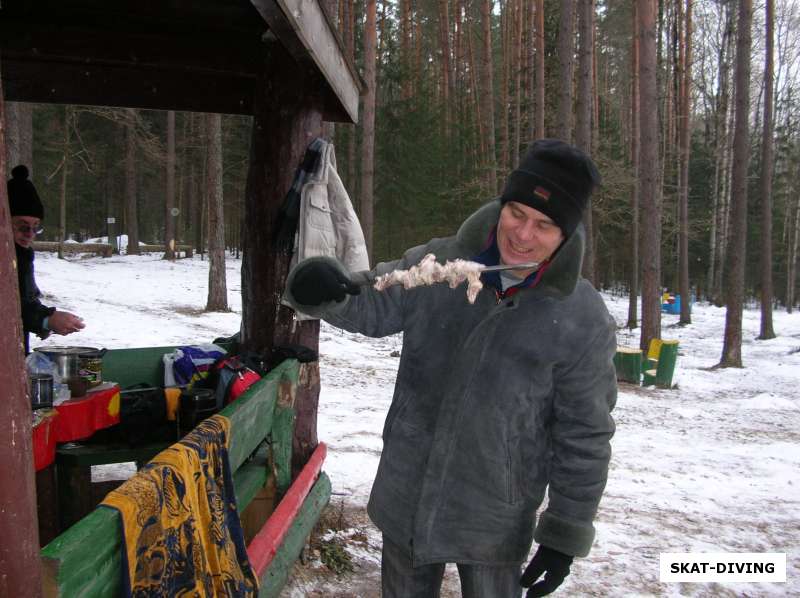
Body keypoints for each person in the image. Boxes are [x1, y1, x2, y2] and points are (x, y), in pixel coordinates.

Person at [285, 139, 617, 597]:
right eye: (517, 213)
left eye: (543, 225)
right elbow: (374, 300)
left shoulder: (582, 318)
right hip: (409, 492)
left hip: (495, 516)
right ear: (502, 206)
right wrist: (327, 289)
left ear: (565, 235)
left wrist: (564, 531)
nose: (522, 234)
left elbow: (585, 435)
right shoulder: (441, 265)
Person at [8, 165, 84, 353]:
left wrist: (46, 321)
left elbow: (24, 302)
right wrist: (46, 319)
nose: (30, 234)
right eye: (22, 226)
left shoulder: (22, 255)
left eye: (35, 227)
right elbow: (7, 306)